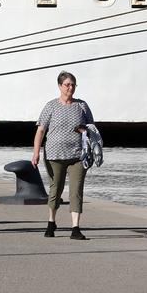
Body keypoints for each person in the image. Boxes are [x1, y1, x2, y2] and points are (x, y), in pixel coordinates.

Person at [32, 72, 96, 240]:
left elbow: (92, 129)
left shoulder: (82, 106)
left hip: (78, 155)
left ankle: (75, 228)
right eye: (67, 84)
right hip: (55, 155)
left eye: (73, 84)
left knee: (76, 191)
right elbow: (40, 130)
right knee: (56, 189)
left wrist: (85, 131)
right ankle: (51, 222)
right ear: (60, 86)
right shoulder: (51, 106)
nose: (71, 87)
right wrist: (36, 153)